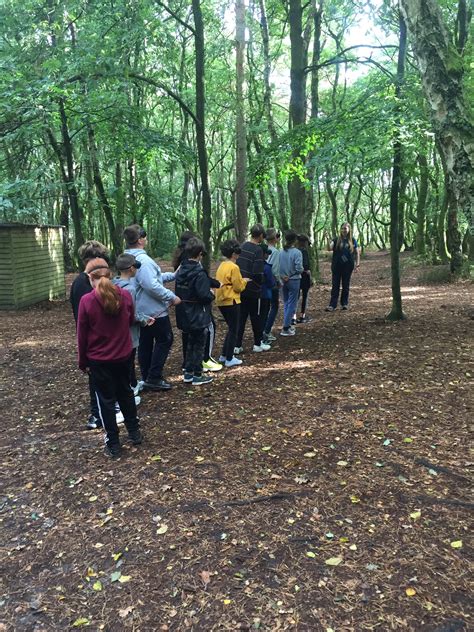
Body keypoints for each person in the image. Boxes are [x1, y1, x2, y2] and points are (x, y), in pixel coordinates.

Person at [77, 258, 142, 459]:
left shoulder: (87, 301)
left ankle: (113, 443)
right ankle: (134, 432)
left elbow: (82, 335)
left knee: (105, 401)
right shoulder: (125, 296)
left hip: (99, 360)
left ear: (91, 278)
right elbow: (130, 320)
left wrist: (83, 362)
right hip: (123, 356)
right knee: (126, 393)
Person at [124, 224, 181, 391]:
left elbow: (151, 278)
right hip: (153, 311)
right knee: (165, 339)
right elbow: (151, 285)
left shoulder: (127, 258)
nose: (146, 239)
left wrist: (172, 276)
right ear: (140, 240)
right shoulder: (144, 260)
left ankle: (147, 375)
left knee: (145, 343)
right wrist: (171, 296)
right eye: (145, 237)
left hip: (139, 310)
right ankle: (154, 377)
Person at [70, 240, 110, 430]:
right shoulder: (83, 283)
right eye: (100, 258)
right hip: (93, 339)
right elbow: (85, 317)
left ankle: (104, 410)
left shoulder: (88, 281)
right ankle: (96, 414)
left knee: (103, 377)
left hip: (100, 337)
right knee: (96, 378)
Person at [172, 232, 222, 373]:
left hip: (184, 310)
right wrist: (211, 294)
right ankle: (199, 369)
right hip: (197, 312)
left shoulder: (182, 266)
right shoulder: (196, 269)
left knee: (189, 339)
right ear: (198, 253)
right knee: (200, 338)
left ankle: (188, 369)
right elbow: (202, 292)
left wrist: (215, 283)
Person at [113, 254, 155, 397]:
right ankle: (130, 389)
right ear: (131, 269)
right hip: (129, 333)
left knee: (123, 362)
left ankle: (132, 384)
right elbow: (132, 314)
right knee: (129, 361)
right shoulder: (130, 289)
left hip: (117, 331)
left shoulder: (113, 284)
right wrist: (145, 320)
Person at [235, 223, 271, 353]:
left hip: (241, 287)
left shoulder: (242, 246)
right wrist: (262, 281)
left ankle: (237, 345)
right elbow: (257, 272)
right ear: (260, 235)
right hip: (253, 289)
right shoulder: (258, 250)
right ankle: (257, 343)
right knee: (256, 316)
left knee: (241, 317)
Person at [215, 239, 248, 367]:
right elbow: (238, 287)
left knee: (231, 328)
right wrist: (245, 281)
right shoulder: (234, 267)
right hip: (232, 300)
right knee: (234, 329)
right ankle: (229, 357)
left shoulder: (222, 265)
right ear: (234, 253)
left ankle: (224, 355)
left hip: (221, 300)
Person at [325, 222, 360, 311]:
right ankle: (332, 305)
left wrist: (357, 264)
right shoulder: (336, 239)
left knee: (346, 285)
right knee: (335, 285)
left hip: (348, 266)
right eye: (342, 228)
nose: (344, 230)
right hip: (336, 266)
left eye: (345, 228)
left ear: (349, 229)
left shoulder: (352, 240)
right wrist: (327, 239)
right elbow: (329, 248)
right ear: (340, 230)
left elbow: (357, 253)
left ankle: (344, 303)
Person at [279, 230, 303, 336]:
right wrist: (298, 271)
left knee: (286, 303)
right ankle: (285, 327)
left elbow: (277, 266)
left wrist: (282, 276)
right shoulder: (297, 253)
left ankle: (287, 325)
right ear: (295, 240)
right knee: (292, 303)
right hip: (294, 280)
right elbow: (299, 268)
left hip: (282, 280)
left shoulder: (280, 252)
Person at [263, 228, 281, 343]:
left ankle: (263, 330)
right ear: (275, 238)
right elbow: (275, 269)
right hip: (271, 281)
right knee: (274, 306)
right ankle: (266, 330)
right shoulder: (275, 252)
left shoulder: (262, 249)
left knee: (265, 307)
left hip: (262, 281)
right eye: (277, 235)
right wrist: (278, 281)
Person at [260, 243, 275, 342]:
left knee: (258, 316)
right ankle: (263, 337)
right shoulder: (266, 267)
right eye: (266, 253)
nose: (268, 255)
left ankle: (260, 337)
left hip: (255, 295)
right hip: (265, 294)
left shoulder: (253, 265)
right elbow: (271, 282)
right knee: (264, 316)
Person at [296, 234, 312, 323]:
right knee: (305, 296)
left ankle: (293, 316)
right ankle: (302, 315)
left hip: (296, 276)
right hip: (304, 276)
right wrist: (308, 272)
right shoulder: (304, 251)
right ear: (305, 242)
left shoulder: (295, 251)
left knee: (296, 296)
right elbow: (305, 265)